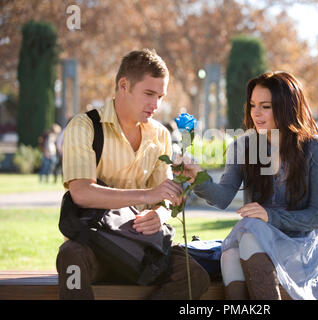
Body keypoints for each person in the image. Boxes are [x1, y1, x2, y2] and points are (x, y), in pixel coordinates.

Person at [56, 49, 210, 300]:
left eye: (160, 96)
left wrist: (158, 214)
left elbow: (164, 198)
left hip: (140, 248)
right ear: (124, 85)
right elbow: (81, 193)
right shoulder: (84, 126)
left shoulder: (160, 135)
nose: (156, 104)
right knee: (71, 256)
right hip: (96, 243)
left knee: (195, 276)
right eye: (149, 93)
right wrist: (149, 194)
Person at [180, 71, 318, 300]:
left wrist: (269, 216)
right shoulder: (244, 145)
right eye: (253, 105)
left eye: (266, 106)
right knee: (230, 255)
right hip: (254, 243)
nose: (256, 113)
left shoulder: (314, 149)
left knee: (250, 233)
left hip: (300, 248)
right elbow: (223, 197)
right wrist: (198, 177)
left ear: (286, 107)